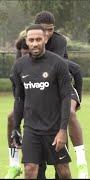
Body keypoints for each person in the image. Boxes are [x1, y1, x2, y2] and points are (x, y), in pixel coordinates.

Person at [10, 24, 72, 179]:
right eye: (31, 40)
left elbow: (66, 98)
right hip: (31, 129)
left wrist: (63, 130)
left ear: (45, 39)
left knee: (63, 171)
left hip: (54, 129)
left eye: (38, 39)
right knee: (30, 169)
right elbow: (19, 99)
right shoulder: (19, 66)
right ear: (26, 41)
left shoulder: (58, 63)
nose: (35, 43)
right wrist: (16, 127)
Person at [34, 10, 88, 179]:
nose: (48, 33)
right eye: (44, 29)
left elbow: (51, 64)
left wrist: (78, 99)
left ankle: (82, 162)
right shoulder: (27, 40)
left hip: (62, 85)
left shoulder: (59, 40)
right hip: (39, 89)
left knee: (70, 113)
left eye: (50, 29)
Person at [4, 37, 28, 179]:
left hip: (45, 103)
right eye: (22, 53)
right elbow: (17, 97)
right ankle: (14, 164)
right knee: (11, 118)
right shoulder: (17, 68)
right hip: (26, 102)